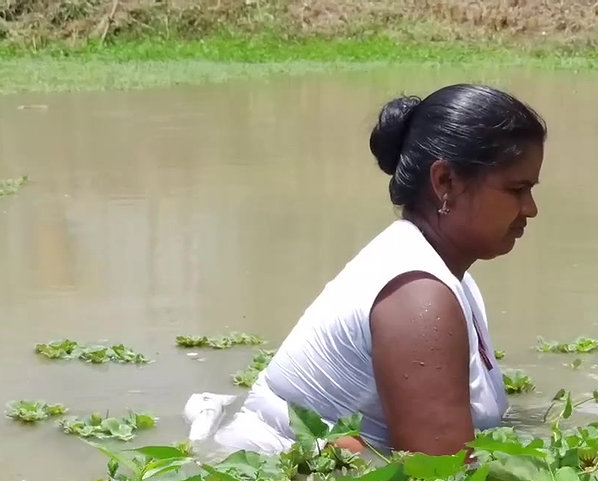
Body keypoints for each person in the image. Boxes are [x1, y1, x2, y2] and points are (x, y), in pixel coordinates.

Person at [184, 83, 546, 459]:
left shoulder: (448, 277)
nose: (531, 208)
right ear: (445, 182)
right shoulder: (419, 294)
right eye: (516, 189)